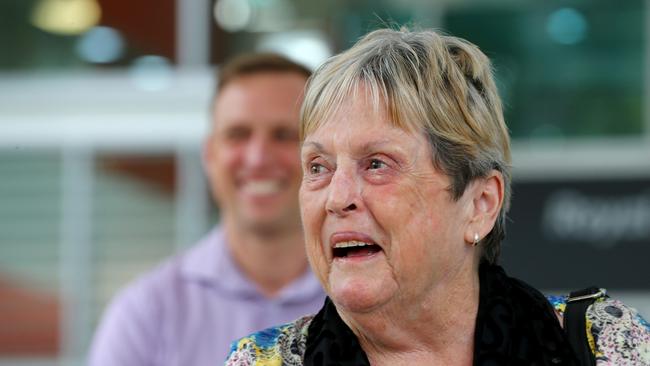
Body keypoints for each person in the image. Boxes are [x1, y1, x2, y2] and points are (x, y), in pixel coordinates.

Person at [226, 29, 650, 365]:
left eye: (377, 164)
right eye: (318, 167)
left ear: (480, 205)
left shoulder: (602, 346)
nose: (338, 198)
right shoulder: (262, 361)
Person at [89, 54, 326, 365]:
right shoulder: (145, 314)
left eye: (283, 135)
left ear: (322, 157)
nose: (257, 158)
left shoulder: (372, 298)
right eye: (238, 135)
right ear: (209, 154)